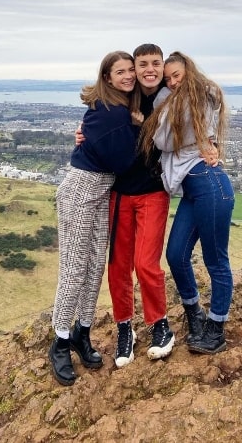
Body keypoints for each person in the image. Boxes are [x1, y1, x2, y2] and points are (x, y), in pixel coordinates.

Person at [75, 43, 175, 368]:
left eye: (152, 64)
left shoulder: (169, 94)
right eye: (137, 65)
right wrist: (83, 135)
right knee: (118, 266)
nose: (143, 71)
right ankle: (124, 328)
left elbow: (197, 113)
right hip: (120, 194)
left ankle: (160, 325)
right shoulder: (123, 98)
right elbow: (98, 123)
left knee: (146, 263)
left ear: (162, 66)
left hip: (153, 191)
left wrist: (212, 144)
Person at [49, 51, 139, 386]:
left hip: (102, 192)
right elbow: (125, 159)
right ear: (107, 77)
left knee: (95, 265)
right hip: (79, 191)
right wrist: (139, 126)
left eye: (131, 70)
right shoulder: (107, 111)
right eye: (121, 71)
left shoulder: (120, 110)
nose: (128, 76)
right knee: (74, 269)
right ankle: (59, 341)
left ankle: (81, 332)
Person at [141, 51, 235, 355]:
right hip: (195, 189)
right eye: (168, 79)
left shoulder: (193, 97)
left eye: (177, 76)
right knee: (176, 254)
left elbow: (163, 141)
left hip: (210, 185)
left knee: (216, 261)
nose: (172, 82)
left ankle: (216, 329)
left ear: (189, 73)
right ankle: (195, 314)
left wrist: (164, 100)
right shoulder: (182, 99)